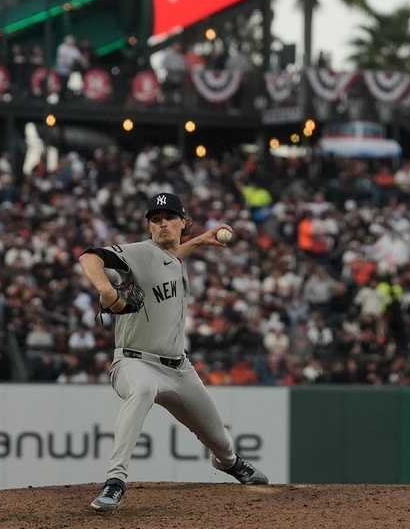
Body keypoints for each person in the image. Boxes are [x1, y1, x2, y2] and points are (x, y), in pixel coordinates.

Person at [78, 192, 268, 512]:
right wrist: (107, 289)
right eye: (155, 219)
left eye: (169, 217)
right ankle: (115, 480)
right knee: (143, 389)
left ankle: (229, 463)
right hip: (134, 362)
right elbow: (88, 257)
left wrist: (201, 241)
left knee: (219, 439)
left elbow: (171, 255)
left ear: (183, 223)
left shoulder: (173, 257)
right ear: (149, 227)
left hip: (179, 370)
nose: (162, 223)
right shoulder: (141, 252)